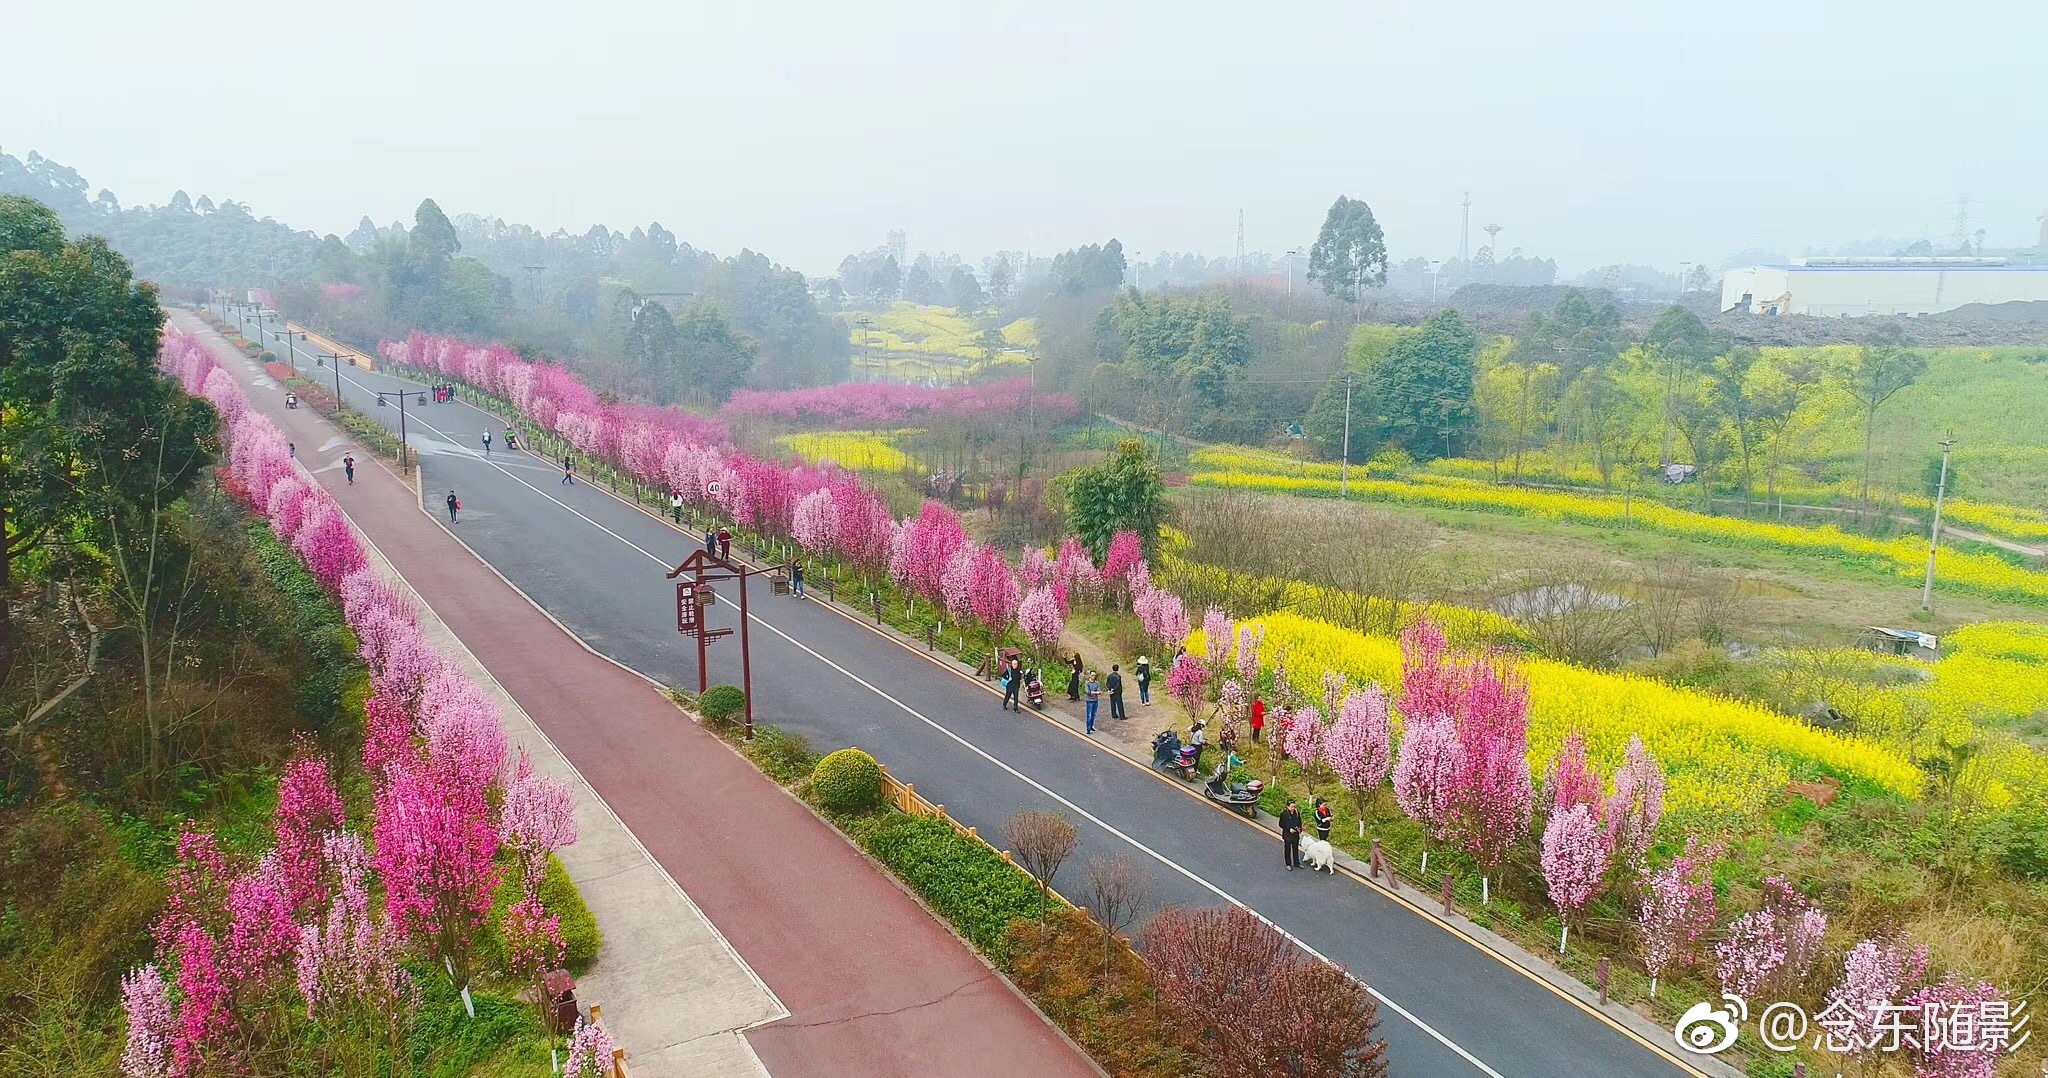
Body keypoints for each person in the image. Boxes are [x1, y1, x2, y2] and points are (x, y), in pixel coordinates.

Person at [1279, 800, 1303, 871]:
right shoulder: (1284, 814)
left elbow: (1299, 821)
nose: (1293, 808)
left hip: (1295, 834)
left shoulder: (1297, 813)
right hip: (1287, 835)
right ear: (1288, 806)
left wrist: (1299, 827)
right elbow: (1281, 824)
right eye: (1292, 807)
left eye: (1294, 806)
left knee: (1295, 849)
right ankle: (1288, 864)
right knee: (1287, 849)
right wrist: (1288, 829)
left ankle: (1296, 863)